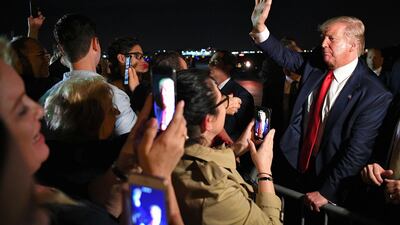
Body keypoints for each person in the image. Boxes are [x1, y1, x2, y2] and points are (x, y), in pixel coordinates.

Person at [0, 57, 185, 225]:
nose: (39, 110)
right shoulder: (37, 212)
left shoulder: (41, 183)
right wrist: (158, 177)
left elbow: (101, 206)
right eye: (20, 108)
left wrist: (123, 168)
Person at [250, 0, 392, 214]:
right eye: (323, 37)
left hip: (329, 180)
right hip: (293, 164)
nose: (323, 43)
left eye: (331, 38)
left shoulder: (374, 94)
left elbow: (357, 150)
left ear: (352, 45)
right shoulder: (317, 62)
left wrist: (327, 192)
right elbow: (287, 57)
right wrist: (260, 28)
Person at [172, 68, 282, 225]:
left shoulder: (164, 155)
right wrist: (264, 171)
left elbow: (201, 157)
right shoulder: (215, 191)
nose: (227, 102)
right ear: (208, 121)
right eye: (223, 100)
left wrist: (236, 149)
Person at [39, 13, 136, 136]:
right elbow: (133, 142)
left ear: (62, 49)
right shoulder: (114, 97)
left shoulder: (45, 99)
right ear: (95, 43)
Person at [107, 36, 149, 113]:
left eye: (142, 56)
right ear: (122, 58)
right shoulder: (113, 93)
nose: (143, 60)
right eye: (137, 56)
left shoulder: (145, 85)